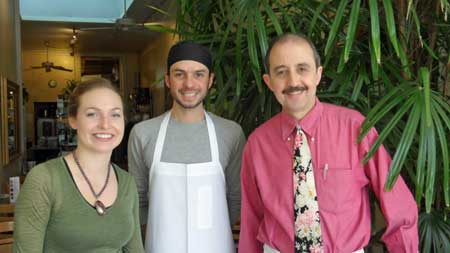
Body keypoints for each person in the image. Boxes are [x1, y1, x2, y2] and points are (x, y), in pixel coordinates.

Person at [239, 33, 418, 253]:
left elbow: (398, 206)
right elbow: (251, 220)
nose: (293, 81)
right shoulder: (257, 145)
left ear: (318, 74)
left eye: (302, 69)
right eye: (281, 72)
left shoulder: (356, 129)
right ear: (269, 82)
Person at [128, 40, 246, 253]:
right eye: (179, 74)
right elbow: (138, 200)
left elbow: (236, 197)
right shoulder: (142, 133)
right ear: (167, 80)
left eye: (199, 74)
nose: (189, 84)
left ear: (210, 80)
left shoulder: (231, 132)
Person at [14, 78, 144, 253]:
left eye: (115, 114)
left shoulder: (127, 183)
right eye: (92, 114)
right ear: (73, 120)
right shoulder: (44, 179)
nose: (105, 124)